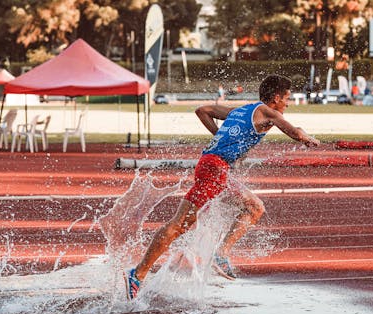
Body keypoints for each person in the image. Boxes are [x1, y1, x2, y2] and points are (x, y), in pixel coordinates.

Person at [125, 74, 320, 300]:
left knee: (254, 207)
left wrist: (220, 136)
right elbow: (294, 132)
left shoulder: (241, 111)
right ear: (276, 98)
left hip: (213, 168)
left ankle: (221, 253)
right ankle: (138, 273)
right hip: (214, 170)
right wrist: (308, 139)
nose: (288, 104)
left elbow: (203, 110)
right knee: (180, 225)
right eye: (287, 98)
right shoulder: (269, 112)